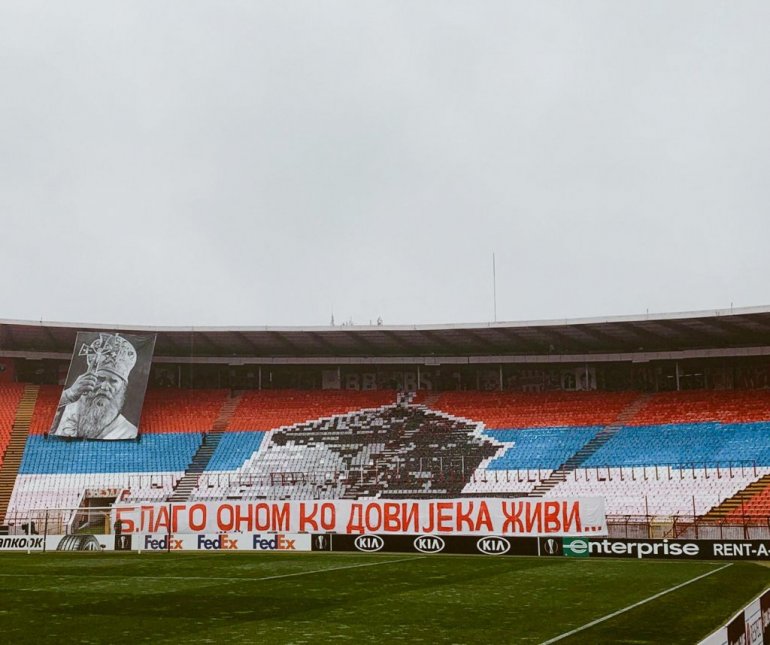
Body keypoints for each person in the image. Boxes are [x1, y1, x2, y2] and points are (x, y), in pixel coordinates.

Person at [51, 334, 138, 440]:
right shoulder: (68, 408)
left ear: (122, 388)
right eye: (100, 378)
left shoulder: (129, 433)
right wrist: (69, 395)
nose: (104, 387)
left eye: (113, 381)